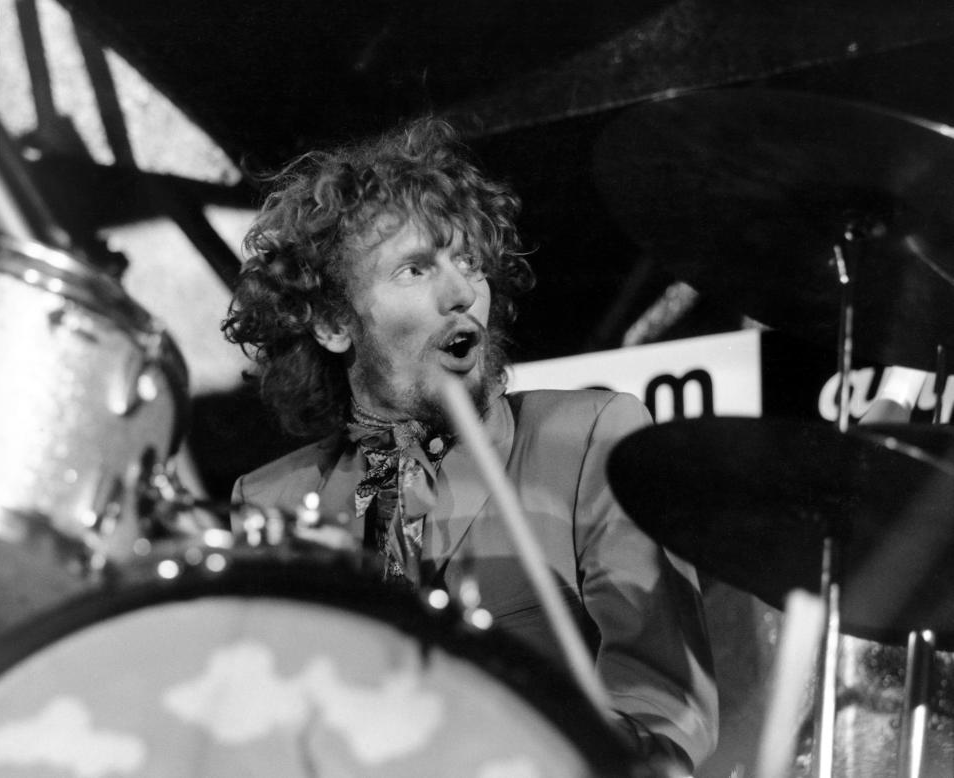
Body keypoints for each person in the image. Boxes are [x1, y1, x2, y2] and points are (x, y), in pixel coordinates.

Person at [222, 118, 717, 773]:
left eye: (468, 262)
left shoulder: (587, 438)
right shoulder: (271, 502)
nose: (461, 292)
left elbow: (663, 700)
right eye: (416, 268)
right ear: (335, 322)